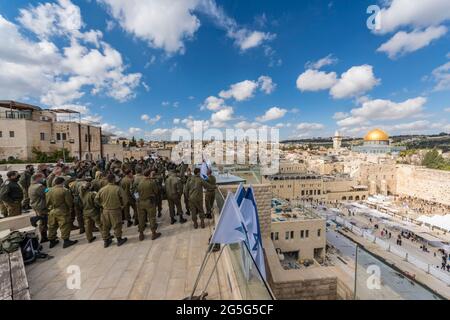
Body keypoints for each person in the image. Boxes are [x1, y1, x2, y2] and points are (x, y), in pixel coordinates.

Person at [95, 174, 128, 248]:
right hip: (115, 210)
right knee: (117, 225)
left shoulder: (102, 189)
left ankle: (106, 241)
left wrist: (101, 205)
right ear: (113, 179)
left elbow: (96, 199)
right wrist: (122, 206)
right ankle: (119, 240)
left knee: (105, 226)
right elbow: (125, 199)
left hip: (105, 211)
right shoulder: (118, 188)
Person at [46, 177, 78, 249]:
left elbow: (47, 202)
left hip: (52, 211)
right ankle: (66, 241)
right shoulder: (64, 191)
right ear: (62, 182)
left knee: (52, 226)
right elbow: (69, 202)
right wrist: (70, 209)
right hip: (62, 211)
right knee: (64, 225)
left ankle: (52, 241)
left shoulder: (49, 190)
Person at [136, 170, 161, 241]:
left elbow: (134, 191)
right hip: (149, 201)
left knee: (141, 218)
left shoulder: (138, 181)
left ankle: (141, 234)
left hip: (140, 202)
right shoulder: (151, 182)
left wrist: (138, 199)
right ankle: (153, 233)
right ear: (149, 174)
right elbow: (156, 191)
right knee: (152, 217)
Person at [28, 173, 49, 243]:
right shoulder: (39, 186)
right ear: (37, 178)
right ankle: (44, 237)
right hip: (41, 205)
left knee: (42, 220)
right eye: (42, 178)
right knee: (43, 221)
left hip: (35, 205)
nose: (43, 179)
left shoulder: (31, 185)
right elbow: (46, 193)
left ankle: (44, 236)